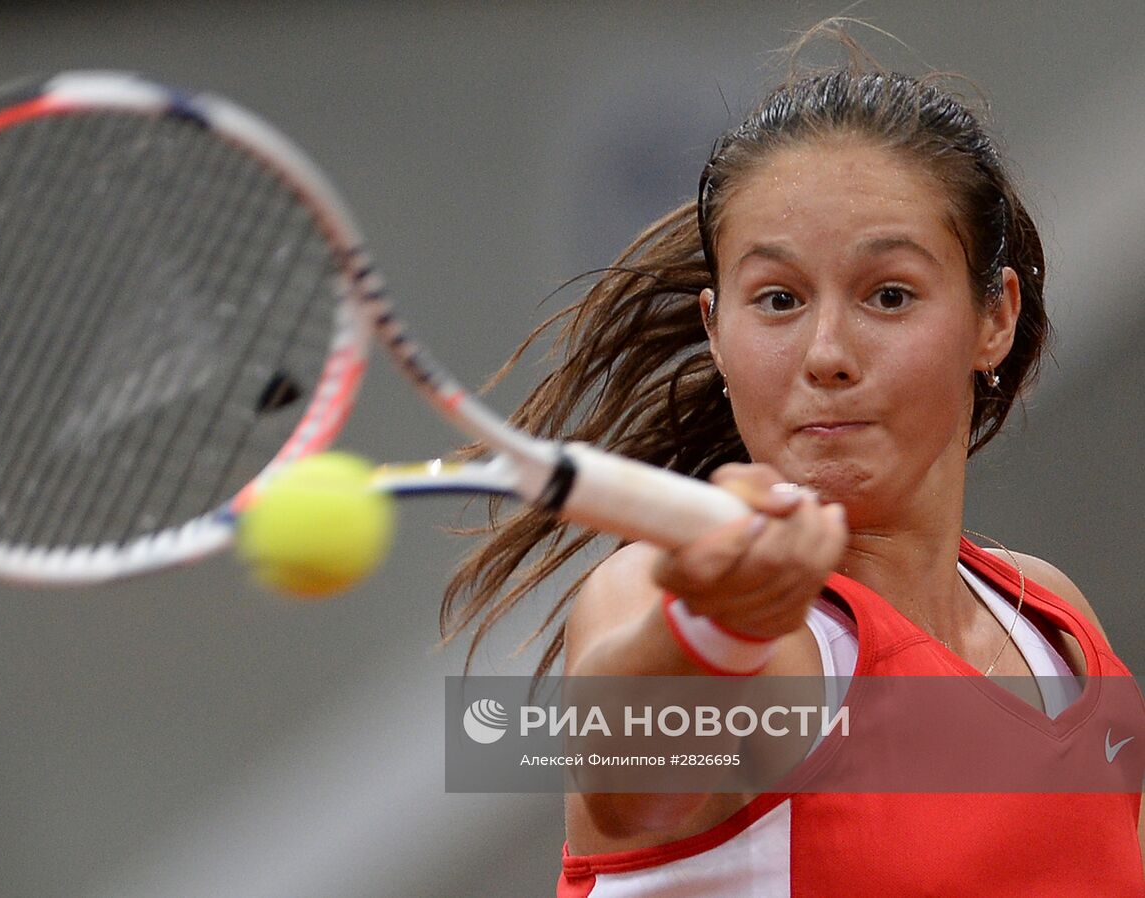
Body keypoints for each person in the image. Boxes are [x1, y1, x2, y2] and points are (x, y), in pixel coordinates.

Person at [441, 28, 1145, 896]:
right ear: (717, 333)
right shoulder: (673, 602)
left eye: (889, 295)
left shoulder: (1056, 635)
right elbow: (631, 790)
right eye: (777, 299)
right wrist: (713, 624)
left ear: (994, 317)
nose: (826, 353)